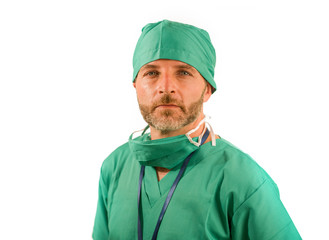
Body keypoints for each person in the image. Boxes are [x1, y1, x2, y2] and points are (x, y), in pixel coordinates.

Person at [92, 20, 301, 240]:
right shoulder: (115, 167)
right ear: (136, 85)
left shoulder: (241, 178)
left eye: (183, 73)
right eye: (151, 73)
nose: (166, 87)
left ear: (207, 89)